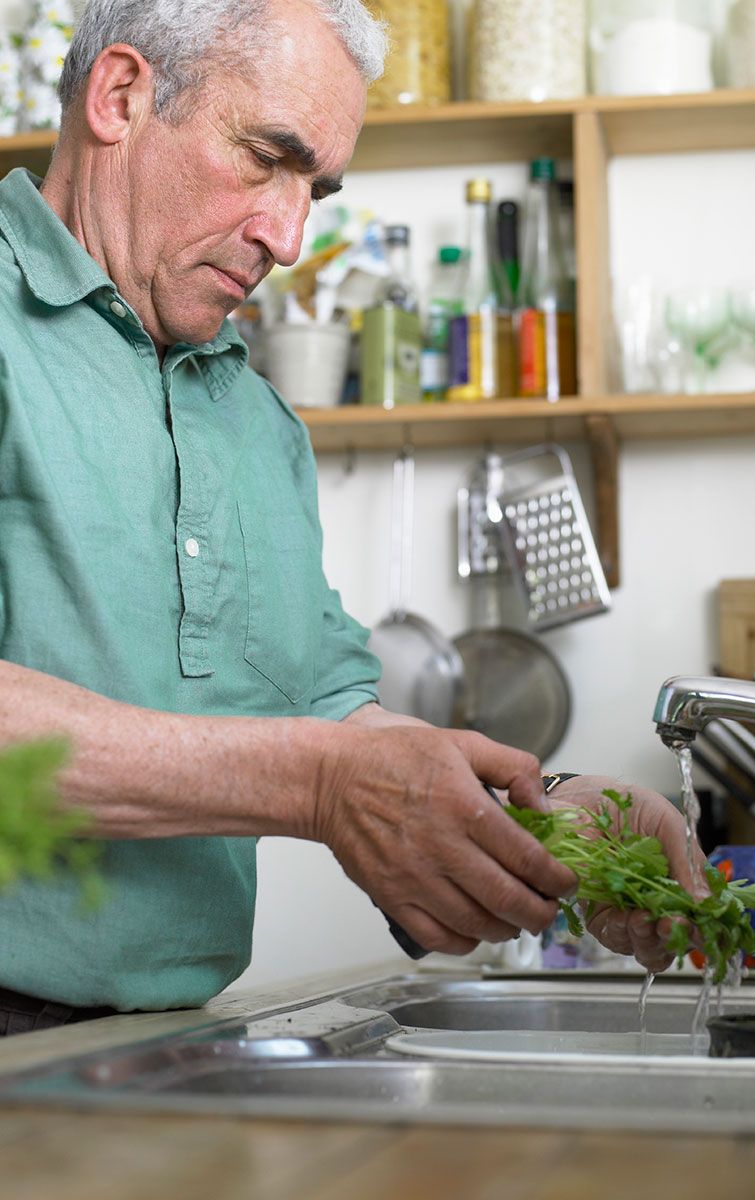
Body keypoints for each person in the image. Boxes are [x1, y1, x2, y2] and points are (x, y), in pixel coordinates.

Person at [0, 0, 702, 1035]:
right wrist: (321, 786)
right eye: (264, 158)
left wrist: (533, 813)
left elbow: (329, 710)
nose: (289, 237)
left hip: (162, 1043)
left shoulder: (255, 422)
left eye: (314, 189)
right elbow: (325, 772)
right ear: (120, 97)